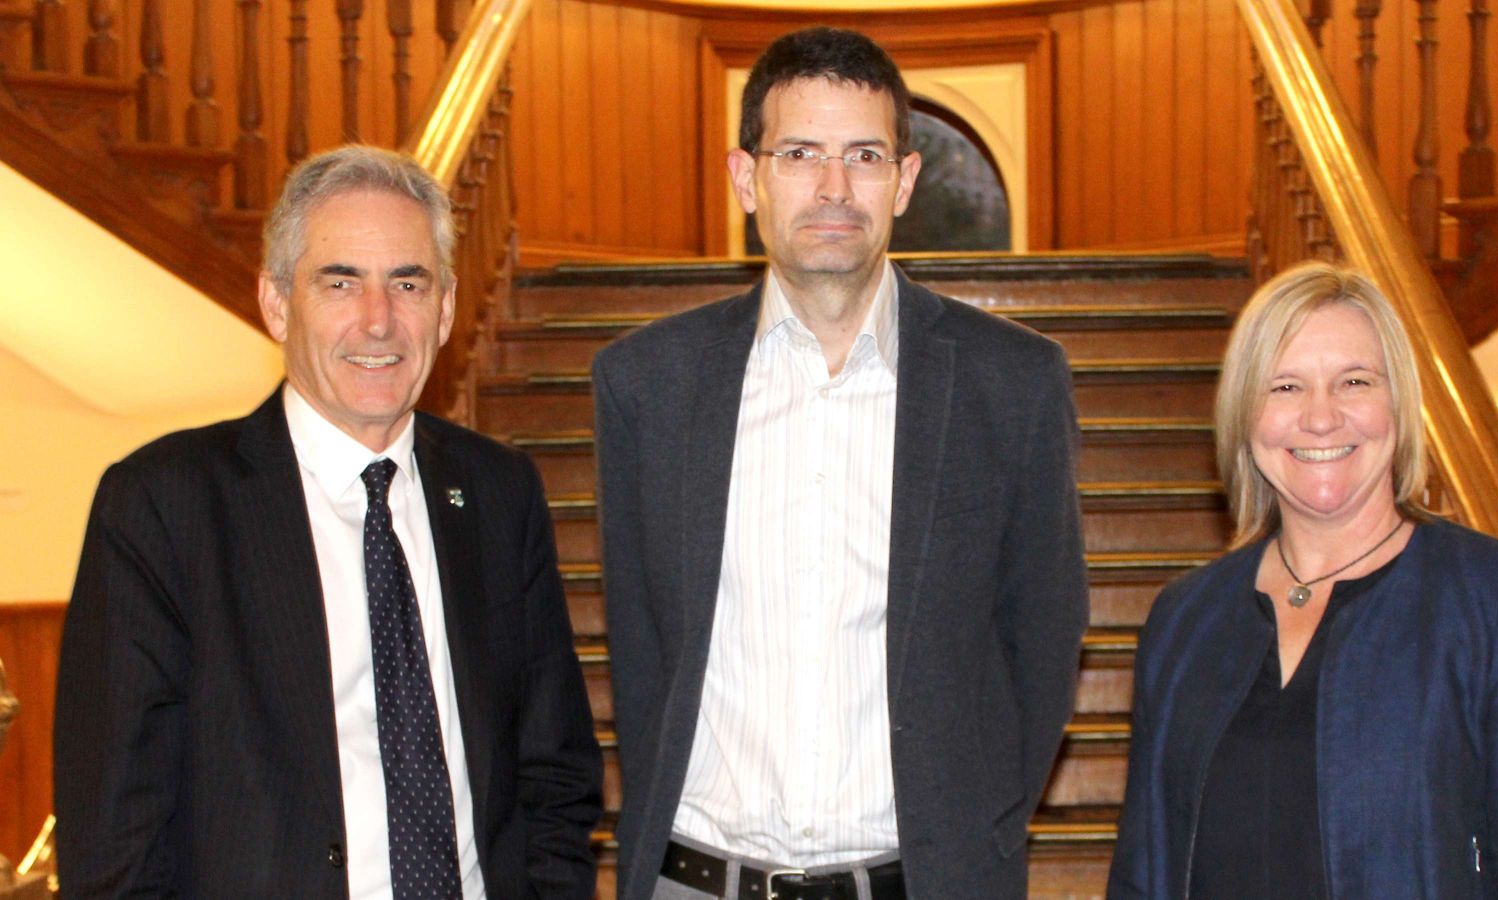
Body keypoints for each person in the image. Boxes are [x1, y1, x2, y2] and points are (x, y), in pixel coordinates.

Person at [591, 26, 1088, 900]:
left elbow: (1043, 637)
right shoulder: (646, 385)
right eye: (799, 154)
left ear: (903, 181)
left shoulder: (1012, 382)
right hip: (695, 882)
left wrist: (975, 832)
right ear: (747, 177)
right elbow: (641, 649)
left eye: (863, 155)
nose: (833, 187)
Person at [54, 145, 602, 898]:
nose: (378, 322)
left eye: (407, 283)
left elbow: (555, 772)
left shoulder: (498, 492)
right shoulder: (163, 506)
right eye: (340, 282)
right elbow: (114, 834)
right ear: (278, 303)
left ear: (444, 309)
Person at [1108, 261, 1498, 898]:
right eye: (1284, 387)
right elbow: (1144, 873)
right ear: (1244, 415)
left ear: (1399, 404)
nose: (1320, 417)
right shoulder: (1184, 620)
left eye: (1354, 381)